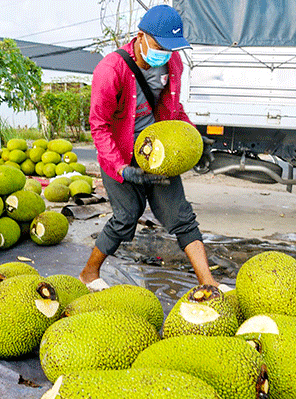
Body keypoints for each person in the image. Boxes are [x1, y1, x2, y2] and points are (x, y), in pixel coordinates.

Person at [79, 5, 224, 292]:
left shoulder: (173, 65)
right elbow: (99, 125)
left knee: (181, 216)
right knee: (126, 216)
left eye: (172, 48)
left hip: (159, 153)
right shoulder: (111, 69)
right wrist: (121, 168)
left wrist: (194, 138)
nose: (166, 54)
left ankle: (209, 284)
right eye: (160, 46)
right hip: (120, 154)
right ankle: (88, 272)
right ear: (141, 36)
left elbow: (174, 110)